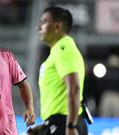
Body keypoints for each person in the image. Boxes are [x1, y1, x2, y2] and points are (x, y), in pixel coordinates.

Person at [29, 7, 88, 135]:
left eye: (43, 22)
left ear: (57, 26)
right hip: (59, 123)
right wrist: (46, 126)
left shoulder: (63, 48)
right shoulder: (59, 50)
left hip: (65, 124)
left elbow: (74, 88)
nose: (38, 28)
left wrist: (71, 126)